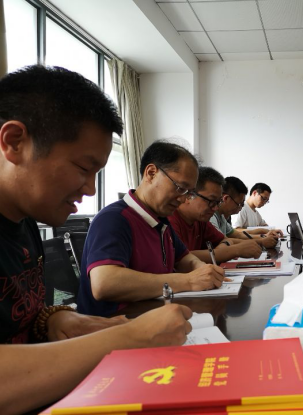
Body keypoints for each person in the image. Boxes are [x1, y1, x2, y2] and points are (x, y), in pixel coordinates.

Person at [0, 65, 192, 414]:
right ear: (14, 142)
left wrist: (54, 320)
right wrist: (129, 337)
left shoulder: (24, 223)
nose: (90, 189)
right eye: (82, 168)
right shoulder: (114, 219)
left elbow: (20, 322)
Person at [78, 141, 226, 317]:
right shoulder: (114, 219)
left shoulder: (161, 221)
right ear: (151, 173)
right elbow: (104, 283)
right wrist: (188, 281)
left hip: (152, 317)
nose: (183, 199)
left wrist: (202, 269)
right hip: (112, 325)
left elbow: (185, 258)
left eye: (189, 193)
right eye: (180, 188)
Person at [169, 167, 263, 263]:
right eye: (211, 201)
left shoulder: (201, 220)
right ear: (189, 195)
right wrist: (234, 250)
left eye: (218, 202)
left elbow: (226, 240)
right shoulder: (170, 220)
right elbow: (180, 258)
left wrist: (220, 252)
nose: (215, 208)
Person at [210, 176, 278, 249]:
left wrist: (264, 236)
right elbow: (225, 241)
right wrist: (261, 241)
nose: (241, 207)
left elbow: (238, 235)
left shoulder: (222, 217)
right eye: (239, 204)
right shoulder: (211, 217)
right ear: (226, 198)